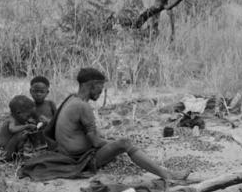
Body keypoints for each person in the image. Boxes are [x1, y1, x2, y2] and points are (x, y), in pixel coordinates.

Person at [50, 67, 190, 182]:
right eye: (101, 87)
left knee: (115, 142)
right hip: (80, 160)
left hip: (67, 153)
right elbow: (97, 143)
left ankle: (151, 164)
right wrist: (114, 143)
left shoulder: (71, 99)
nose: (101, 91)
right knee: (125, 143)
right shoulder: (82, 106)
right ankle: (167, 175)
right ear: (92, 85)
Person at [0, 95, 38, 161]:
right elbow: (12, 129)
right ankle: (21, 157)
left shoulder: (18, 119)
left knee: (24, 133)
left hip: (8, 149)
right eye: (28, 116)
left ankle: (22, 155)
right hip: (4, 153)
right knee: (22, 134)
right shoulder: (11, 119)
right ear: (18, 113)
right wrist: (26, 126)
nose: (29, 118)